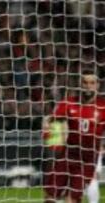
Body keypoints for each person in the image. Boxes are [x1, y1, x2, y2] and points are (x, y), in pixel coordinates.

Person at [43, 70, 105, 203]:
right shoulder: (68, 103)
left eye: (92, 83)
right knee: (50, 197)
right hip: (67, 156)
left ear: (97, 85)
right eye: (85, 82)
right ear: (80, 84)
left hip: (87, 160)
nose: (88, 86)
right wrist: (51, 135)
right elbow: (51, 121)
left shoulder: (103, 107)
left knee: (72, 199)